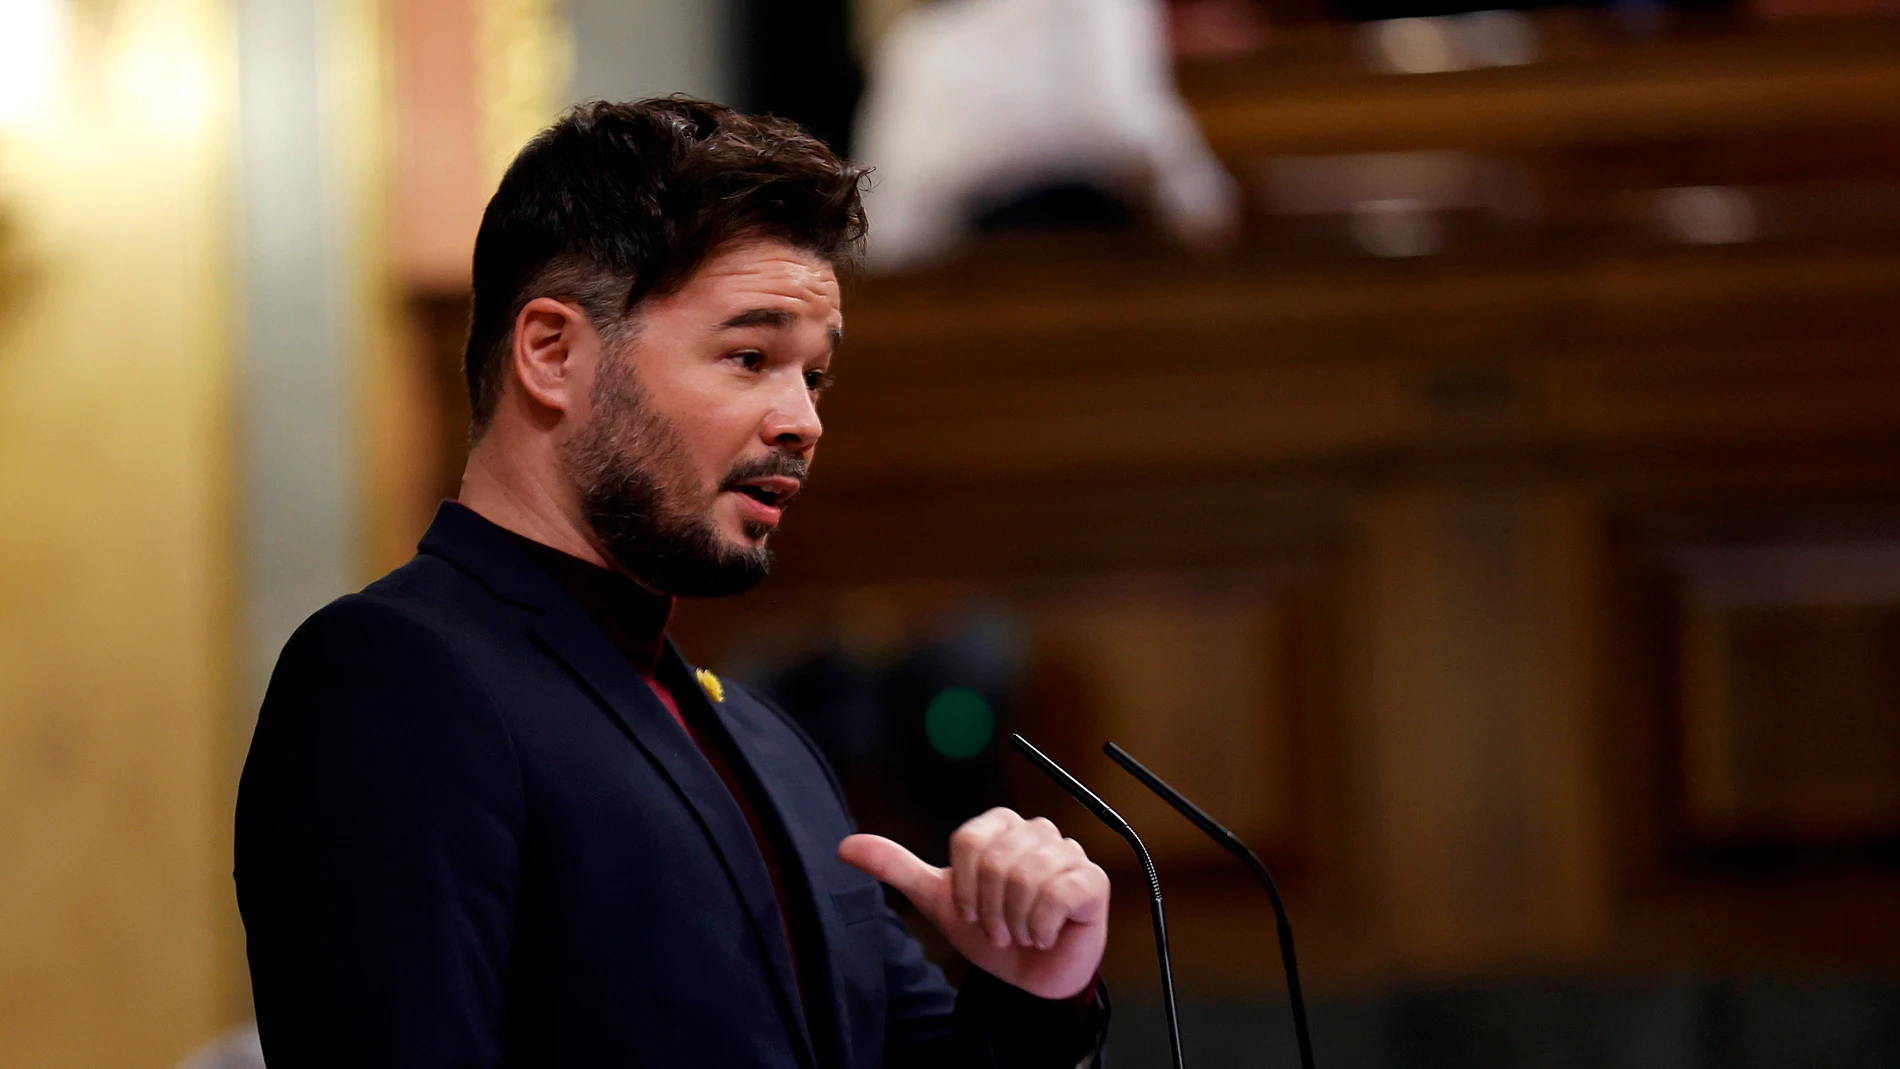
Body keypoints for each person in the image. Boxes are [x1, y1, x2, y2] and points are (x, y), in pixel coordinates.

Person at [234, 99, 1113, 1069]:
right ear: (553, 353)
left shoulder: (764, 742)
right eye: (750, 357)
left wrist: (1034, 991)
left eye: (812, 376)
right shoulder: (398, 678)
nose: (801, 419)